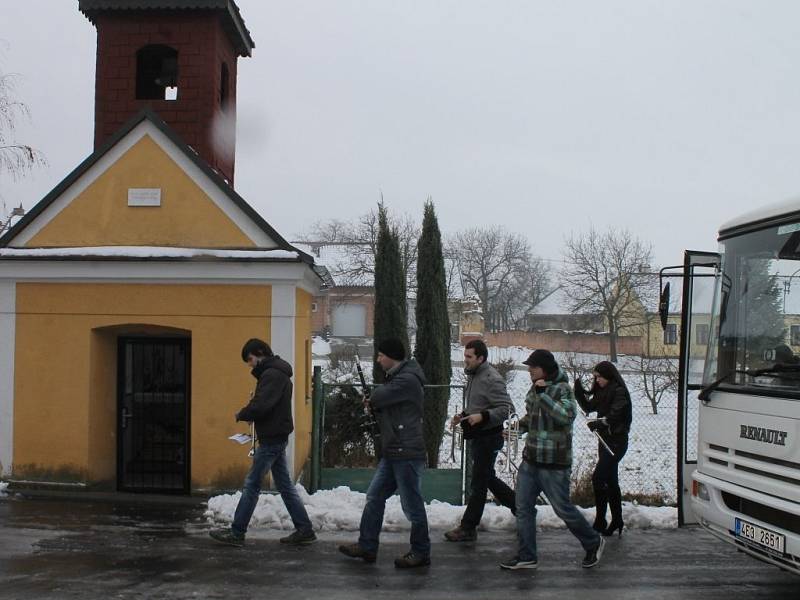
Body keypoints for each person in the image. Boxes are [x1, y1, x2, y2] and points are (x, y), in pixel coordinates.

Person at [500, 349, 604, 570]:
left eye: (533, 367)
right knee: (523, 508)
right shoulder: (535, 388)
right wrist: (516, 429)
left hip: (554, 464)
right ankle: (527, 555)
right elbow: (533, 417)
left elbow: (565, 417)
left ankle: (593, 541)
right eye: (529, 367)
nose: (529, 371)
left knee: (562, 508)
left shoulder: (563, 389)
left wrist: (544, 396)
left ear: (544, 369)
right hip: (530, 461)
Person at [210, 338, 316, 547]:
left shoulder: (272, 374)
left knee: (252, 485)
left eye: (250, 359)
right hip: (276, 435)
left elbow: (262, 404)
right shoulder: (276, 372)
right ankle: (305, 529)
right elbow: (267, 404)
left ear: (260, 353)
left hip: (271, 438)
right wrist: (254, 412)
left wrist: (243, 413)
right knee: (284, 486)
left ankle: (237, 532)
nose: (249, 364)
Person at [339, 337, 431, 568]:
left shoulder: (407, 380)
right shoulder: (398, 378)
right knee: (374, 496)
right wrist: (375, 402)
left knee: (412, 506)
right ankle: (367, 546)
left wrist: (374, 400)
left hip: (407, 451)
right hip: (394, 450)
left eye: (381, 355)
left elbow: (380, 397)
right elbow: (384, 402)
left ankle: (421, 551)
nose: (378, 359)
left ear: (392, 357)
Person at [445, 339, 516, 542]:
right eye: (465, 355)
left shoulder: (491, 378)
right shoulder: (475, 376)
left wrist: (483, 417)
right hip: (479, 437)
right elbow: (480, 405)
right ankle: (521, 508)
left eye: (469, 357)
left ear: (480, 358)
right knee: (487, 478)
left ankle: (468, 527)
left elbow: (508, 409)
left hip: (489, 438)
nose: (465, 360)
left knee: (479, 482)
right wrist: (463, 415)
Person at [574, 361, 632, 537]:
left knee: (598, 477)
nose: (597, 380)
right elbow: (589, 407)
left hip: (616, 442)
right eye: (595, 377)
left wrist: (599, 423)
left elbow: (615, 415)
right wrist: (578, 391)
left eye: (599, 376)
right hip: (605, 441)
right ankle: (616, 520)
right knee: (611, 481)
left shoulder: (619, 391)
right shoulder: (603, 391)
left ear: (608, 375)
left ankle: (601, 521)